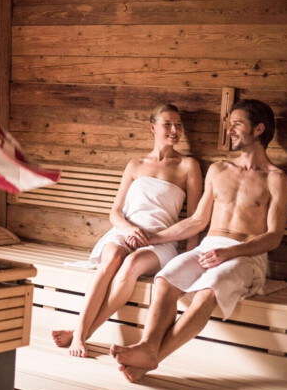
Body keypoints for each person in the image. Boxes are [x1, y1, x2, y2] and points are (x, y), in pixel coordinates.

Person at [112, 99, 287, 382]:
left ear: (258, 129)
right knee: (164, 279)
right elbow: (197, 221)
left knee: (208, 290)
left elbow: (273, 237)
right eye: (228, 124)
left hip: (246, 255)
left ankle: (152, 359)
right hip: (209, 247)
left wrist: (231, 253)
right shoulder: (219, 170)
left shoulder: (276, 179)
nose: (229, 130)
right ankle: (147, 346)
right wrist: (154, 238)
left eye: (236, 124)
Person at [51, 104, 202, 357]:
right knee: (113, 257)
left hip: (160, 241)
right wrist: (130, 230)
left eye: (178, 125)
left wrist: (191, 258)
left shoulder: (188, 166)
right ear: (153, 128)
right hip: (126, 232)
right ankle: (78, 332)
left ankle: (83, 334)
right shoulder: (135, 164)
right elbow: (115, 213)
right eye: (168, 124)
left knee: (131, 264)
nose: (175, 130)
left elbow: (195, 220)